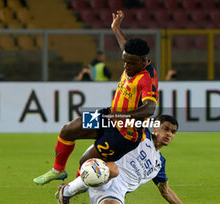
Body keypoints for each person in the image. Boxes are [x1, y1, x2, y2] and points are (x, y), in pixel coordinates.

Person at [33, 10, 159, 185]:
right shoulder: (133, 58)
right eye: (124, 61)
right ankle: (58, 170)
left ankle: (68, 192)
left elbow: (149, 108)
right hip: (110, 115)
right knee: (68, 129)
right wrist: (116, 28)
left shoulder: (147, 79)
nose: (126, 66)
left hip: (125, 134)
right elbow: (125, 48)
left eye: (130, 63)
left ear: (143, 60)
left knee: (85, 162)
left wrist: (121, 117)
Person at [44, 115, 207, 204]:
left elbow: (165, 190)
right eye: (166, 129)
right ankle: (65, 191)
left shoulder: (159, 163)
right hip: (101, 168)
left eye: (173, 132)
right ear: (155, 127)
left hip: (115, 191)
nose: (169, 134)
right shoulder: (139, 133)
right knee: (113, 169)